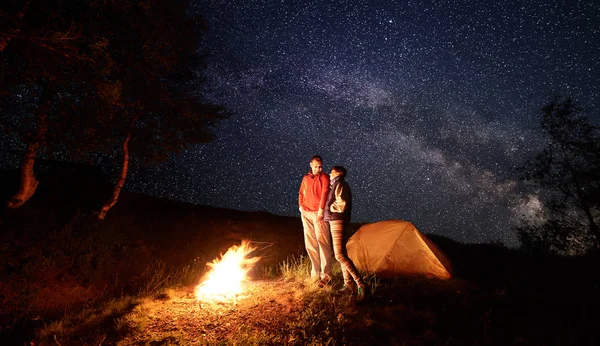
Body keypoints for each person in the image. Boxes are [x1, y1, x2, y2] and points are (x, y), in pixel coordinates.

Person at [323, 166, 367, 300]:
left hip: (338, 219)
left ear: (337, 173)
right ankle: (348, 284)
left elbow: (341, 204)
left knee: (339, 255)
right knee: (342, 253)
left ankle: (360, 283)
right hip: (335, 219)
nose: (329, 174)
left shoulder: (340, 184)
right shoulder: (337, 184)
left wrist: (329, 208)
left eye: (331, 172)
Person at [298, 155, 333, 287]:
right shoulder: (306, 178)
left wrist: (321, 210)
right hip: (306, 212)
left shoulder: (324, 177)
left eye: (320, 166)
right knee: (310, 243)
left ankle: (326, 276)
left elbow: (325, 193)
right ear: (311, 165)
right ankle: (315, 273)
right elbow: (301, 192)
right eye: (316, 166)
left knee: (323, 243)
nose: (319, 168)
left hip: (319, 214)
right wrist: (301, 206)